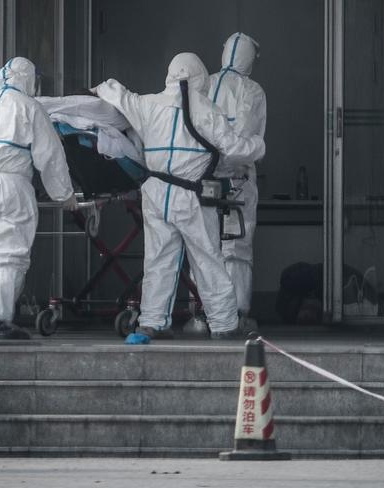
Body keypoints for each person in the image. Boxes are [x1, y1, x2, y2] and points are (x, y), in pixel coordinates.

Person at [93, 52, 265, 340]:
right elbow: (234, 149)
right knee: (208, 259)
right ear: (200, 77)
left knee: (158, 260)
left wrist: (99, 88)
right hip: (191, 195)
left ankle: (152, 322)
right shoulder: (207, 111)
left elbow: (119, 95)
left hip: (156, 194)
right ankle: (224, 325)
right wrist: (258, 146)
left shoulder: (148, 104)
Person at [0, 57, 76, 340]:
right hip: (11, 184)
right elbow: (51, 156)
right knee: (12, 253)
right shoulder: (29, 107)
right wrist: (65, 195)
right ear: (29, 79)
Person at [208, 33, 267, 330]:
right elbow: (244, 136)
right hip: (238, 180)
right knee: (236, 246)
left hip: (202, 180)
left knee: (205, 244)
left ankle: (205, 312)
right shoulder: (252, 91)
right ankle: (237, 313)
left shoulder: (204, 84)